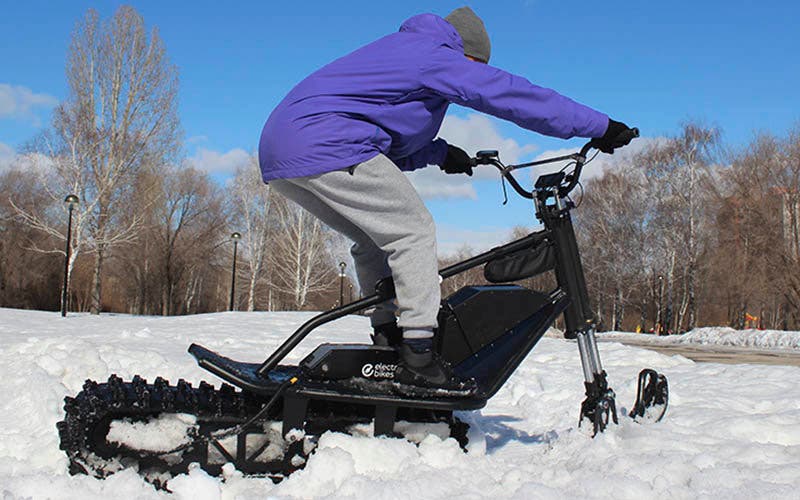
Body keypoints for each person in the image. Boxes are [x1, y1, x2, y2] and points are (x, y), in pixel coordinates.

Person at [258, 7, 635, 389]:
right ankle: (419, 353)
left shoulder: (405, 53)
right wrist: (599, 125)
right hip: (325, 143)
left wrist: (441, 153)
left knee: (375, 239)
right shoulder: (436, 54)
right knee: (413, 232)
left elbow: (385, 143)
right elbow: (511, 95)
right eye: (475, 66)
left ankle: (388, 335)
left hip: (285, 148)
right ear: (468, 56)